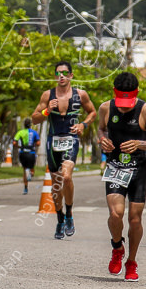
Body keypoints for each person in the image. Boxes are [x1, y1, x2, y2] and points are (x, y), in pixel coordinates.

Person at [96, 72, 146, 283]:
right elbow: (100, 129)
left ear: (137, 94)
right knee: (116, 213)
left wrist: (140, 144)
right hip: (115, 166)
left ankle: (131, 261)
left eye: (128, 103)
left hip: (138, 169)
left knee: (134, 219)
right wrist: (103, 140)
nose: (124, 107)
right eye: (121, 102)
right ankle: (117, 247)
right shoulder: (106, 108)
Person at [30, 61, 97, 240]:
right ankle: (60, 219)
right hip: (53, 141)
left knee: (66, 177)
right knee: (56, 183)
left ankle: (69, 214)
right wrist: (47, 111)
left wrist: (83, 124)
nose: (62, 76)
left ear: (71, 76)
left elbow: (92, 112)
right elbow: (34, 119)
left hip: (71, 139)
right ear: (55, 76)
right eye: (58, 73)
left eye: (65, 73)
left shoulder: (80, 94)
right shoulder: (48, 95)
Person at [12, 117, 40, 194]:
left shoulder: (20, 132)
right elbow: (38, 143)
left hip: (23, 153)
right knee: (32, 167)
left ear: (24, 125)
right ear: (30, 125)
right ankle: (31, 173)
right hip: (31, 153)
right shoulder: (34, 132)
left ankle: (25, 188)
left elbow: (14, 143)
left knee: (24, 170)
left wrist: (19, 146)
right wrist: (33, 145)